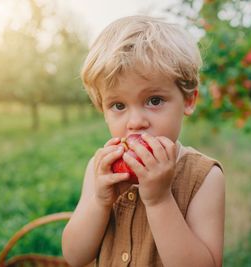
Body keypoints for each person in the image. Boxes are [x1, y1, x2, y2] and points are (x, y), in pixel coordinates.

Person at [62, 15, 225, 267]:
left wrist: (160, 200)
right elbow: (74, 256)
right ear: (102, 110)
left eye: (154, 100)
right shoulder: (100, 170)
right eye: (118, 105)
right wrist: (100, 202)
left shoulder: (204, 177)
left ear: (189, 100)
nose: (135, 122)